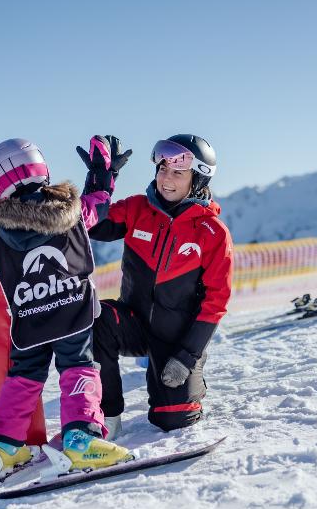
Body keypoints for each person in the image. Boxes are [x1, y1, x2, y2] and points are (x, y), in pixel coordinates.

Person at [0, 137, 131, 486]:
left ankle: (4, 447)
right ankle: (81, 438)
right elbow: (98, 207)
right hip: (69, 310)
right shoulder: (68, 210)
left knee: (24, 376)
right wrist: (102, 175)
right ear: (39, 166)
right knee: (78, 369)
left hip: (27, 319)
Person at [81, 134, 233, 437]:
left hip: (177, 340)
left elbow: (216, 301)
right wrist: (99, 181)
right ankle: (106, 417)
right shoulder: (138, 209)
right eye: (163, 169)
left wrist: (187, 356)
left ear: (199, 178)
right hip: (134, 324)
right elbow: (93, 225)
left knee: (172, 421)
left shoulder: (212, 232)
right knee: (94, 317)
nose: (166, 179)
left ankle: (191, 384)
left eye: (178, 173)